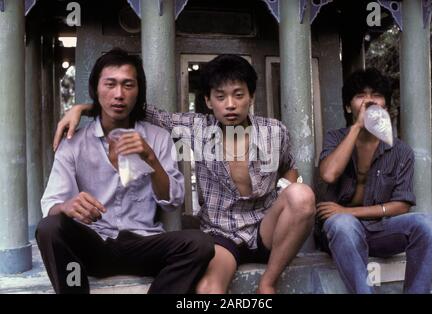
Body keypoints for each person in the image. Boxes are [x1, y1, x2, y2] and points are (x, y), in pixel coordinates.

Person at [53, 54, 316, 294]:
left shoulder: (274, 131)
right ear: (207, 101)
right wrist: (84, 108)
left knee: (301, 196)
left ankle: (267, 283)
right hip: (221, 233)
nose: (231, 105)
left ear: (251, 97)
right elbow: (133, 107)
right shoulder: (196, 128)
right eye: (221, 97)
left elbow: (288, 165)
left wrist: (284, 194)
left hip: (264, 227)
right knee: (207, 292)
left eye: (239, 95)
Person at [37, 48, 215, 294]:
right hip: (94, 244)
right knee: (49, 227)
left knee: (201, 243)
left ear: (138, 91)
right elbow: (51, 204)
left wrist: (150, 158)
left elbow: (173, 202)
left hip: (143, 243)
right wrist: (66, 207)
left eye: (128, 85)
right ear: (96, 90)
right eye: (110, 84)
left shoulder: (158, 137)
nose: (119, 94)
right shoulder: (73, 143)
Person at [316, 68, 432, 293]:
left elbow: (402, 204)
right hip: (342, 234)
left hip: (380, 230)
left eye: (375, 95)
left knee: (430, 226)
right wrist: (357, 127)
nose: (368, 101)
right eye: (360, 96)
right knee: (341, 224)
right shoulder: (335, 138)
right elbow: (329, 174)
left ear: (384, 106)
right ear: (349, 107)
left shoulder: (400, 150)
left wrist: (349, 212)